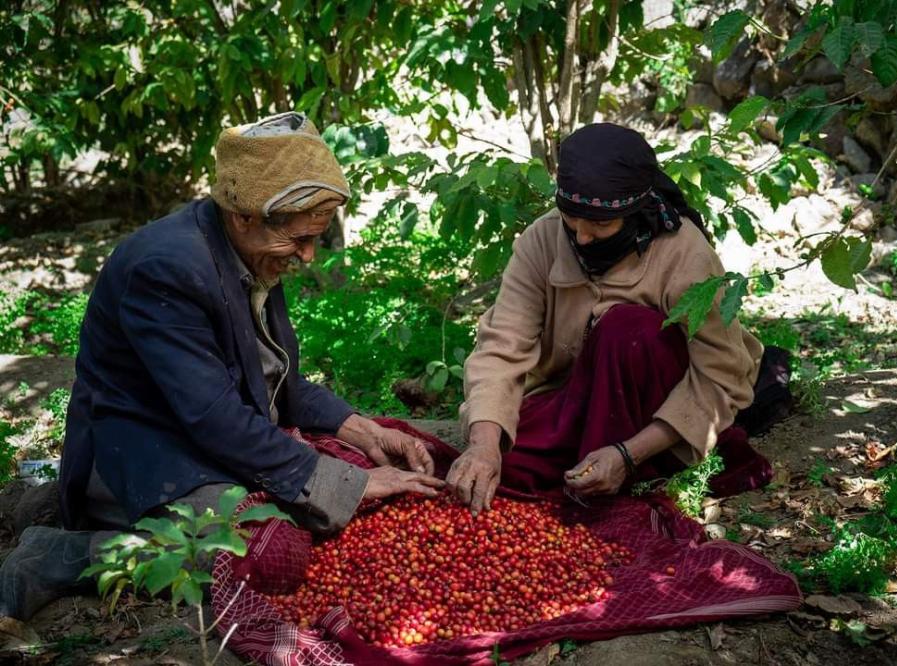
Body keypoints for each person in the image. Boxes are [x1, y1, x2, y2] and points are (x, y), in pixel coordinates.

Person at [0, 112, 443, 622]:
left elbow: (275, 380)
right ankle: (65, 555)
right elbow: (213, 417)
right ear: (244, 216)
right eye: (299, 240)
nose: (308, 255)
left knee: (379, 462)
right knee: (270, 553)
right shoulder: (166, 270)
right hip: (152, 453)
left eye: (315, 238)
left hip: (208, 436)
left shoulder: (249, 251)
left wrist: (359, 428)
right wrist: (348, 485)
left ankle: (51, 504)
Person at [445, 123, 790, 515]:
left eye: (601, 225)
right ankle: (586, 455)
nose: (584, 237)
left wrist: (628, 454)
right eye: (572, 220)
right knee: (503, 466)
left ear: (635, 212)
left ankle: (638, 461)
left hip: (652, 406)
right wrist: (485, 446)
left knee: (626, 330)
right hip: (576, 399)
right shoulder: (542, 239)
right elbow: (501, 347)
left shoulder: (684, 253)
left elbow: (720, 375)